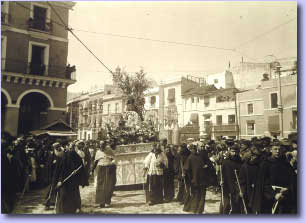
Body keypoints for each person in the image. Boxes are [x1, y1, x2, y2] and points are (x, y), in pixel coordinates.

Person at [253, 141, 297, 214]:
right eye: (275, 149)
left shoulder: (286, 164)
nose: (277, 151)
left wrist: (288, 188)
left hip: (285, 197)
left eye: (279, 149)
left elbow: (292, 180)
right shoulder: (265, 164)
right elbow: (263, 183)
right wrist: (274, 194)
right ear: (271, 150)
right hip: (269, 199)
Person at [52, 142, 87, 214]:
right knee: (64, 195)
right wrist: (58, 181)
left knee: (68, 195)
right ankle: (65, 210)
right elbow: (59, 171)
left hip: (71, 181)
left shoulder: (70, 155)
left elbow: (79, 165)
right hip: (66, 180)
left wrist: (75, 171)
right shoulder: (62, 157)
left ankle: (70, 210)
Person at [182, 144, 207, 214]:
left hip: (195, 181)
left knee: (196, 195)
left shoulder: (190, 157)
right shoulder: (200, 157)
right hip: (201, 180)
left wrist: (186, 176)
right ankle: (199, 210)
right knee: (201, 196)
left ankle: (195, 210)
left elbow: (186, 169)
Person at [92, 141, 117, 208]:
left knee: (108, 186)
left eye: (103, 144)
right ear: (99, 145)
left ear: (105, 145)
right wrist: (91, 170)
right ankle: (101, 203)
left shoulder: (109, 150)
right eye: (100, 144)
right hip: (100, 169)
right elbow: (96, 162)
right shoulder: (98, 152)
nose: (101, 145)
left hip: (109, 168)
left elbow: (113, 159)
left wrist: (112, 163)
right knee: (100, 185)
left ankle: (107, 201)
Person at [220, 143, 243, 214]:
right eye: (233, 151)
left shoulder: (240, 162)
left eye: (236, 152)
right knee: (225, 204)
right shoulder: (226, 162)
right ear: (230, 151)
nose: (234, 153)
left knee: (236, 203)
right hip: (226, 184)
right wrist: (220, 180)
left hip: (236, 185)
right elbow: (221, 173)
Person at [238, 145, 262, 214]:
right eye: (254, 156)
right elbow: (241, 181)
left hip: (257, 192)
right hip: (247, 192)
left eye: (257, 156)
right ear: (250, 156)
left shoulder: (259, 166)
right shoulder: (245, 167)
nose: (255, 158)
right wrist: (241, 190)